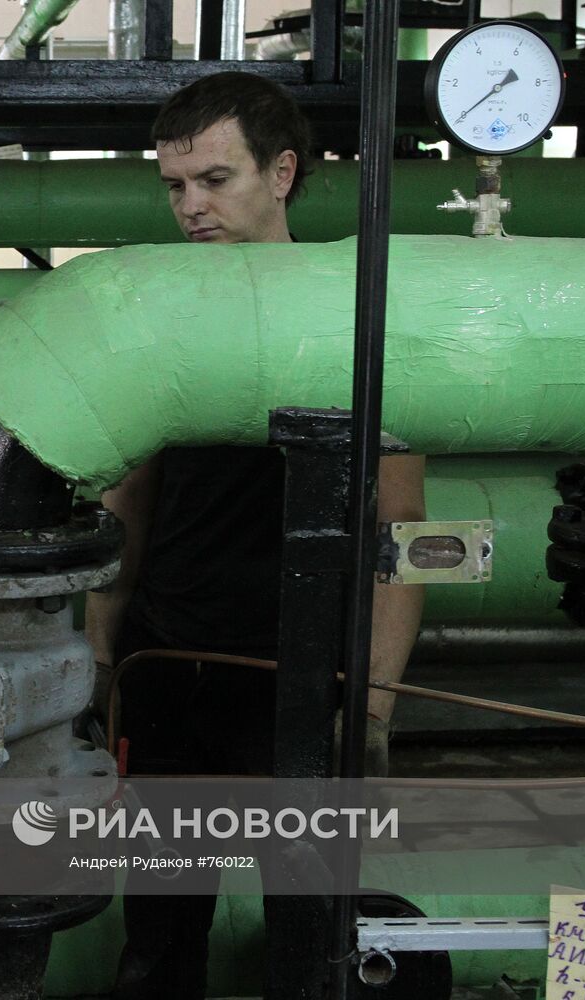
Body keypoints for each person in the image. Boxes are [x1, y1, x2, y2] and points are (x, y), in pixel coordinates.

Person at [83, 72, 427, 999]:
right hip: (170, 670)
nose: (191, 207)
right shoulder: (164, 317)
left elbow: (396, 532)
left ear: (281, 174)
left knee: (312, 936)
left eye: (214, 181)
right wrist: (101, 656)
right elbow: (130, 502)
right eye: (174, 185)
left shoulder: (351, 319)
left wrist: (376, 712)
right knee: (157, 936)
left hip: (297, 681)